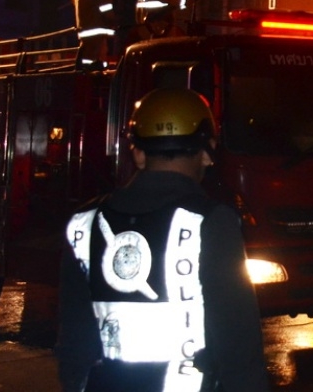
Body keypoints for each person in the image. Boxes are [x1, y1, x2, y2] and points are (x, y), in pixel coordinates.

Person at [56, 88, 269, 392]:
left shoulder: (83, 222)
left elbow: (73, 340)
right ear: (207, 152)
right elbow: (236, 340)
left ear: (139, 153)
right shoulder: (210, 222)